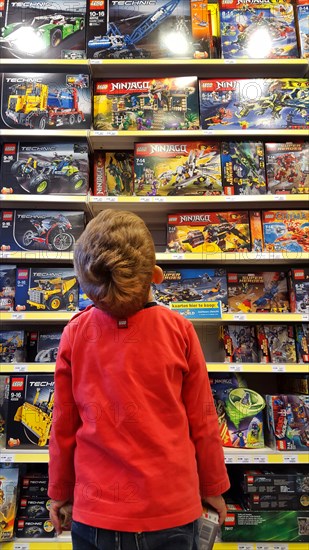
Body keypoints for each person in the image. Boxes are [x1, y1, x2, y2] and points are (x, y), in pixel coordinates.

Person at [48, 209, 230, 550]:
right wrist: (213, 487)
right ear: (156, 275)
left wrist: (59, 491)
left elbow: (63, 425)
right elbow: (204, 421)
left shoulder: (75, 333)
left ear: (88, 288)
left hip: (94, 513)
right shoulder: (180, 330)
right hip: (171, 510)